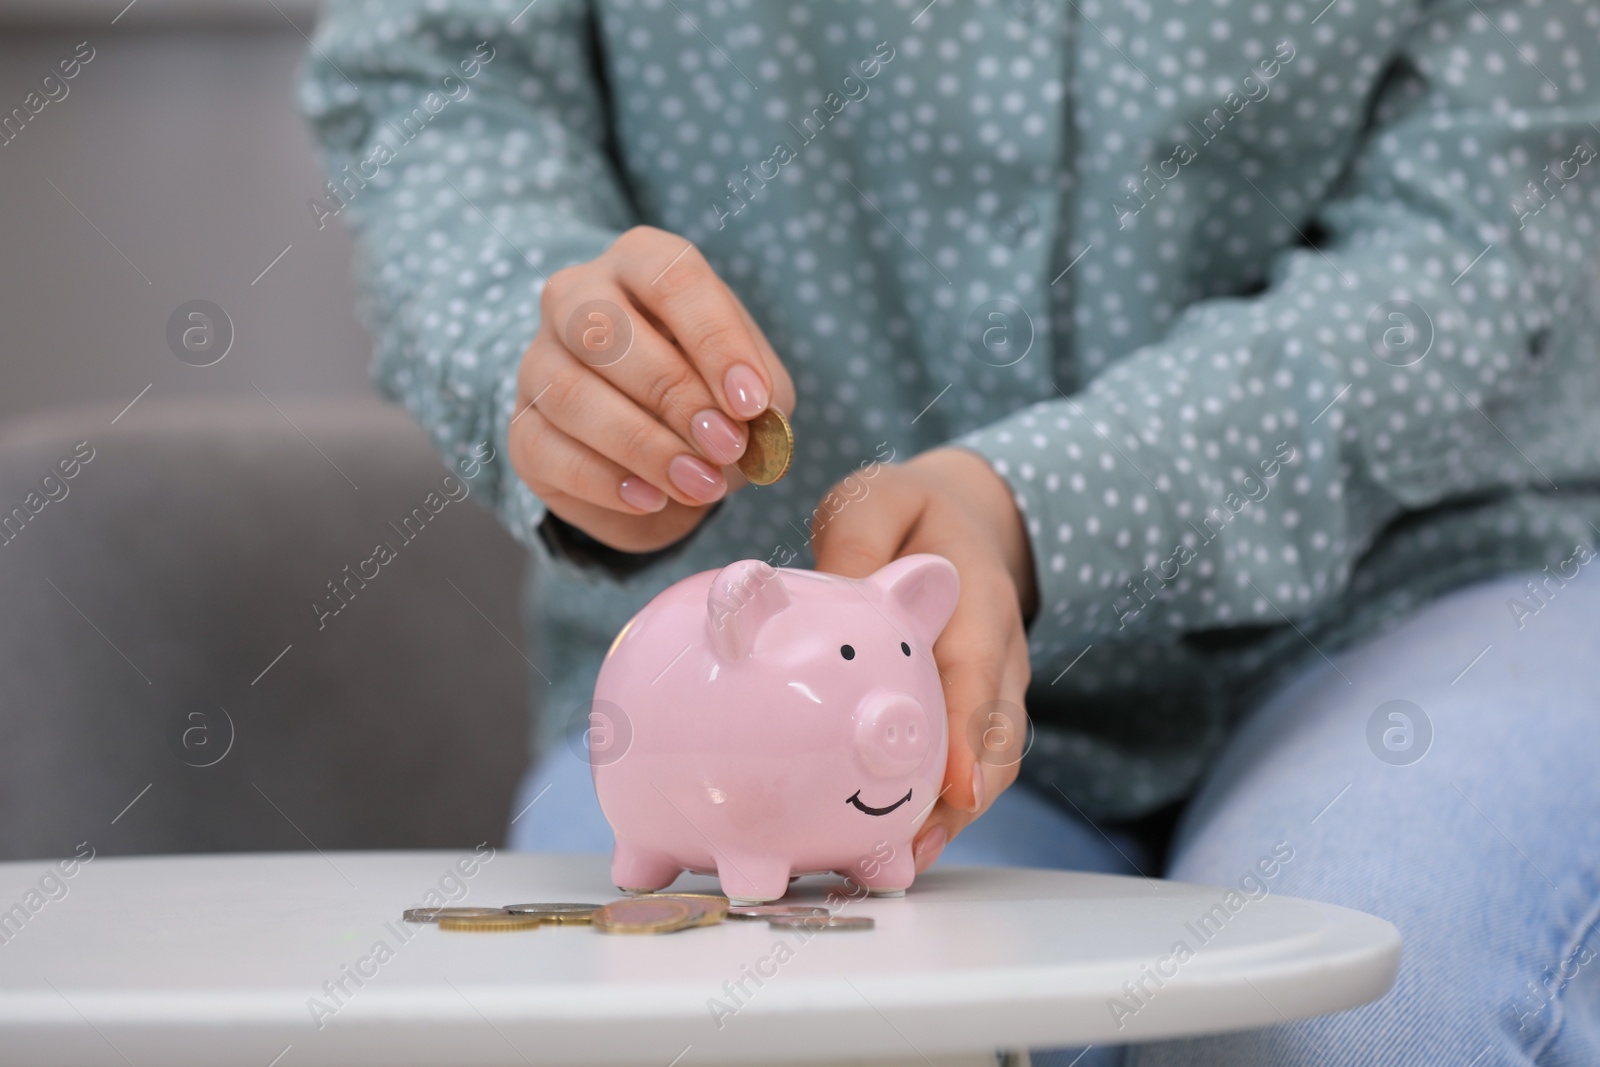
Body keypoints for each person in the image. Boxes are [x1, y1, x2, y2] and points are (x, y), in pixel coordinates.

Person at [300, 1, 1600, 1062]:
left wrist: (1032, 507)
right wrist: (539, 357)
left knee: (1354, 1010)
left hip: (1410, 601)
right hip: (744, 652)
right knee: (743, 1035)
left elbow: (1475, 248)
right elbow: (437, 79)